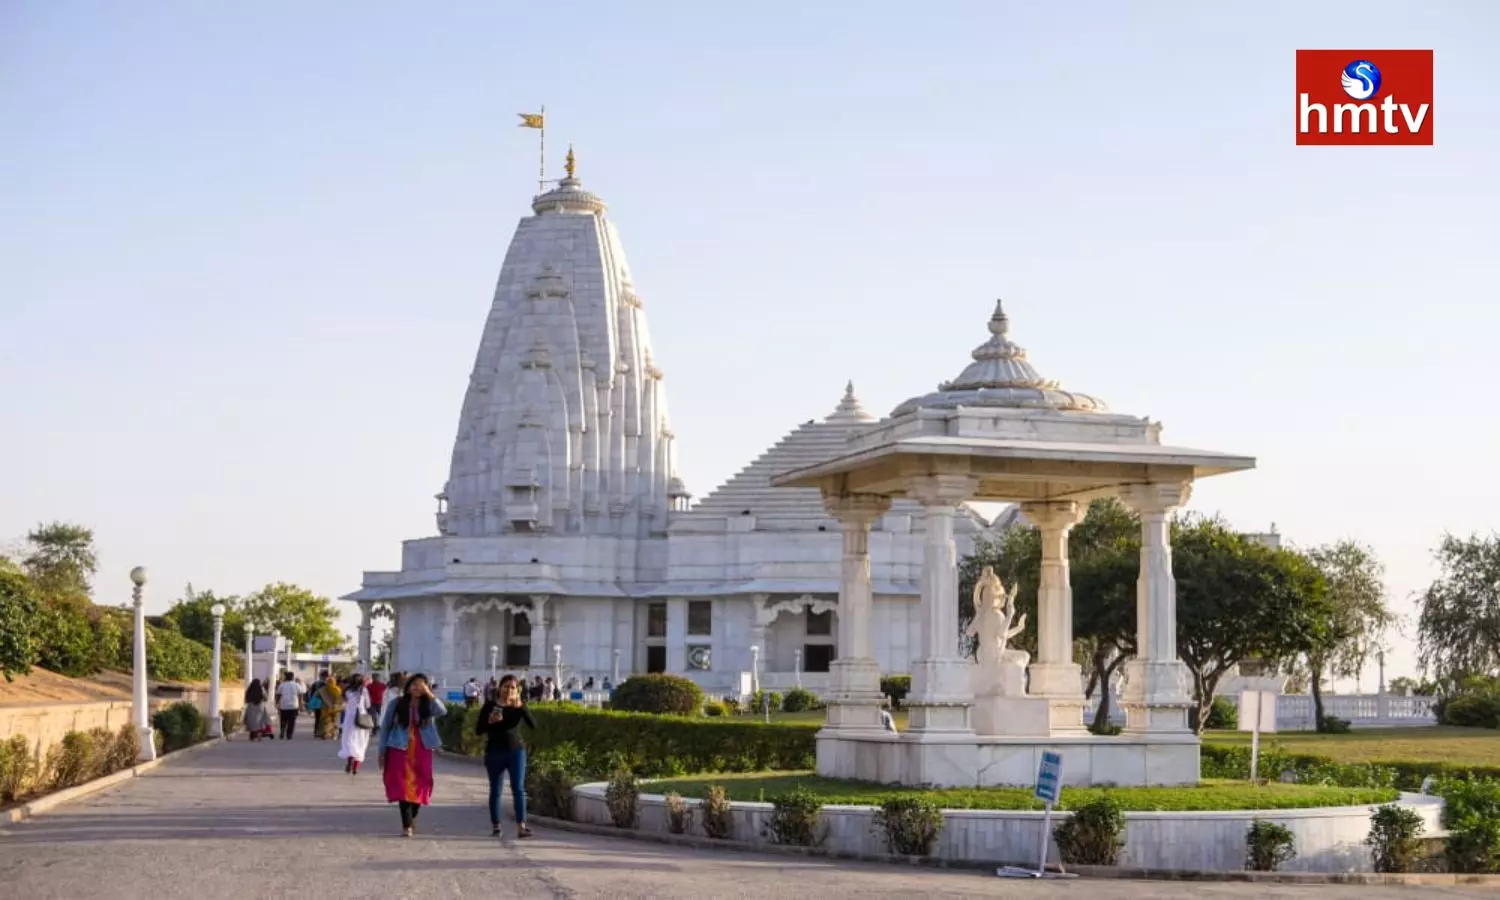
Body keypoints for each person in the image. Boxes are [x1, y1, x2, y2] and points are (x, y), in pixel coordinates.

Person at [378, 672, 447, 837]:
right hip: (398, 749)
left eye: (421, 685)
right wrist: (382, 751)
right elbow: (385, 727)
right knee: (403, 787)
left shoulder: (428, 704)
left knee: (422, 784)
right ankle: (406, 825)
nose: (417, 688)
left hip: (422, 750)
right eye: (414, 684)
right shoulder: (397, 703)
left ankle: (412, 815)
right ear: (407, 687)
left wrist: (429, 694)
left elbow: (442, 711)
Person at [475, 674, 535, 838]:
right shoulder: (490, 706)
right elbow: (478, 730)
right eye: (506, 686)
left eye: (513, 687)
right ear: (499, 688)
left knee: (518, 788)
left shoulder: (518, 706)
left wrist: (521, 706)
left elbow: (533, 725)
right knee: (496, 789)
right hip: (494, 751)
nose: (509, 690)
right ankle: (496, 825)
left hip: (515, 751)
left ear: (517, 690)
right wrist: (490, 722)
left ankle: (521, 826)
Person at [339, 674, 374, 774]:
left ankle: (350, 759)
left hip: (349, 717)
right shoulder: (364, 690)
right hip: (361, 718)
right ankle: (356, 766)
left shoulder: (347, 691)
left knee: (349, 740)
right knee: (361, 741)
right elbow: (368, 705)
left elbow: (344, 704)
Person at [275, 672, 304, 739]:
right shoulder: (296, 685)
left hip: (284, 705)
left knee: (283, 719)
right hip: (293, 706)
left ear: (286, 677)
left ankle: (282, 730)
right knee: (292, 721)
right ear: (292, 677)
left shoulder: (282, 685)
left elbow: (278, 695)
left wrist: (277, 703)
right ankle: (289, 735)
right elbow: (300, 695)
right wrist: (301, 705)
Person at [314, 674, 343, 740]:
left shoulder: (322, 689)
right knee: (335, 721)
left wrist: (322, 699)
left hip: (325, 708)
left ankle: (326, 733)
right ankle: (334, 734)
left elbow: (316, 695)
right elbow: (340, 698)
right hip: (336, 708)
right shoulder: (337, 689)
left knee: (327, 721)